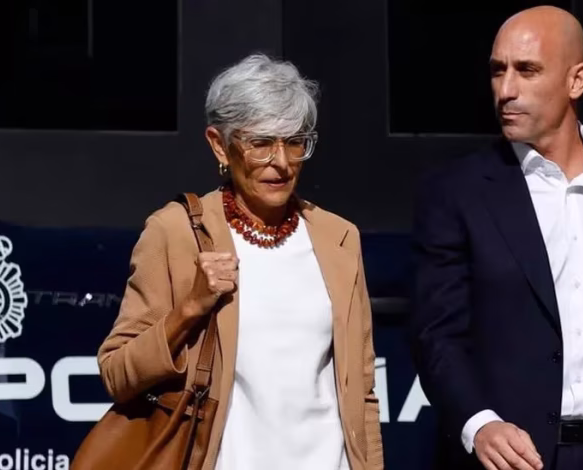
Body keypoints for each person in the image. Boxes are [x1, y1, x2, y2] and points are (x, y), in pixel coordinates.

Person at [409, 6, 583, 470]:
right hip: (514, 458)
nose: (506, 90)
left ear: (577, 81)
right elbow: (436, 333)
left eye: (527, 70)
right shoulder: (457, 192)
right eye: (498, 71)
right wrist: (480, 424)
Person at [97, 53, 383, 470]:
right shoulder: (175, 232)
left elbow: (363, 392)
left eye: (295, 142)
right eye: (261, 144)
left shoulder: (338, 238)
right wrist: (189, 309)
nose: (281, 163)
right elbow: (116, 374)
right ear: (219, 144)